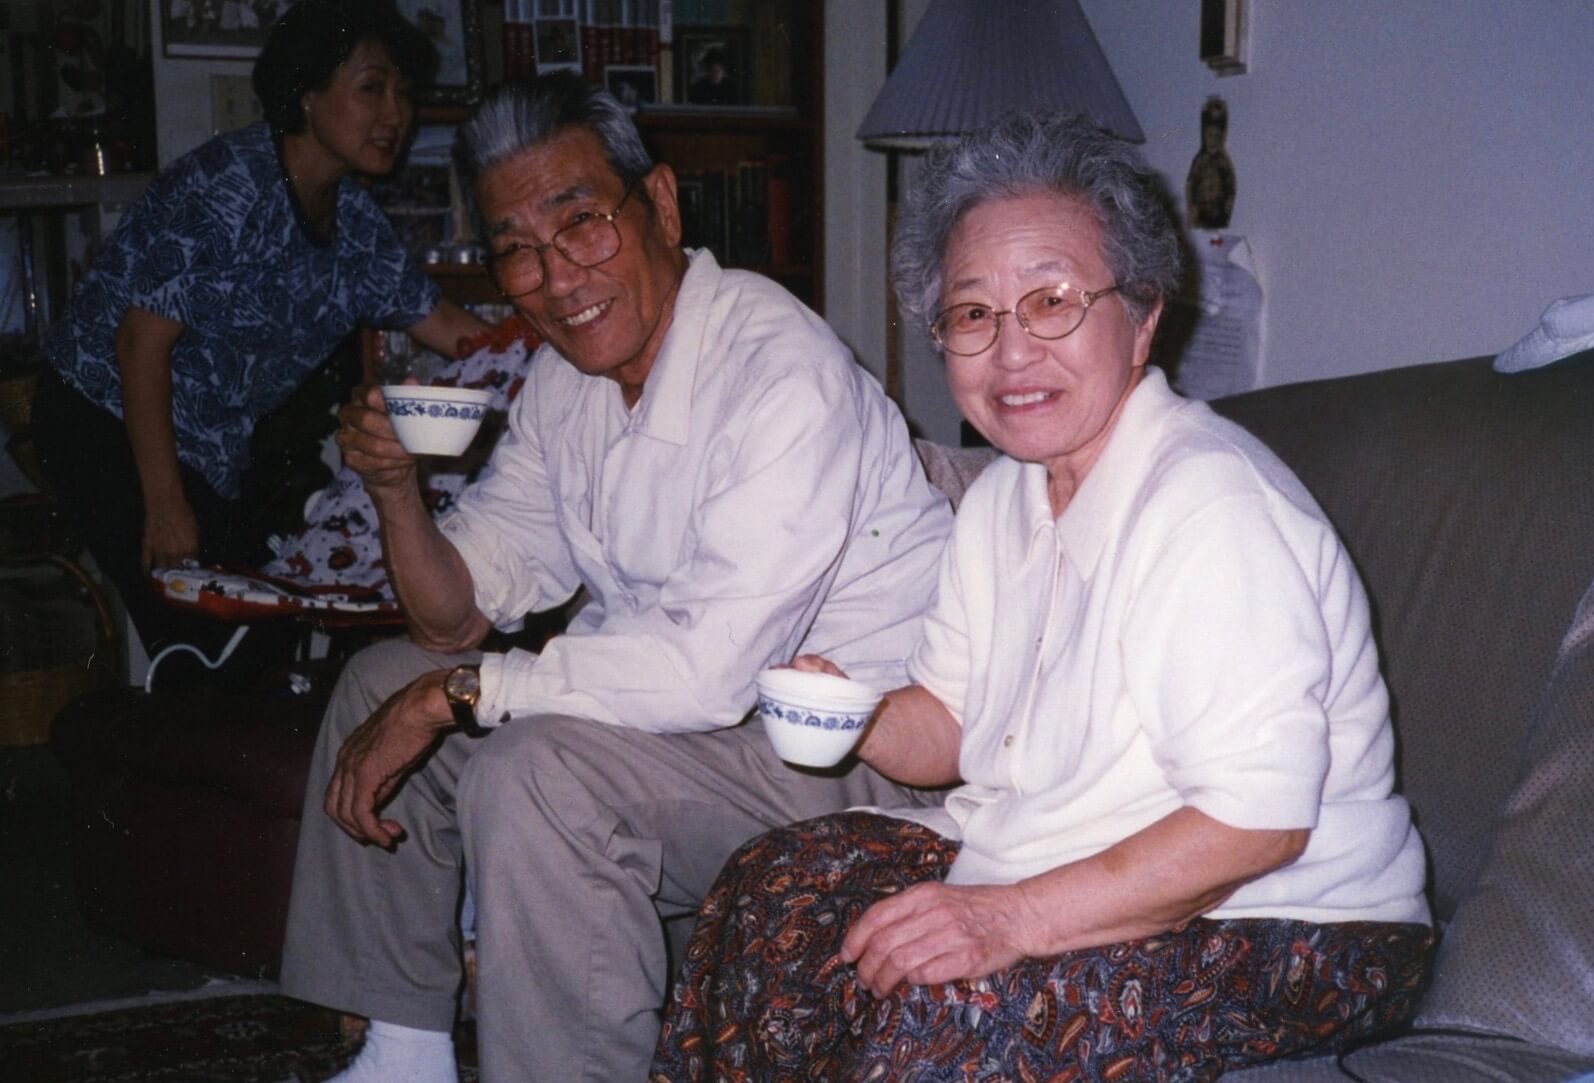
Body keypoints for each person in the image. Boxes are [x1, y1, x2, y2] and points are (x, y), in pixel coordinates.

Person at [652, 110, 1435, 1082]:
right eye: (973, 314)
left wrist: (1007, 918)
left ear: (1141, 319)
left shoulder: (1208, 506)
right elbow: (950, 724)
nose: (1011, 352)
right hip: (1064, 855)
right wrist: (852, 711)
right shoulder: (1002, 500)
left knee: (944, 1013)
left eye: (1052, 301)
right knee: (773, 890)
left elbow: (1257, 822)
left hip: (1297, 920)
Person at [278, 72, 953, 1083]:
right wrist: (395, 492)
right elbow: (454, 619)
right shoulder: (566, 384)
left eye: (582, 224)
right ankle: (403, 1056)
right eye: (517, 250)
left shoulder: (780, 372)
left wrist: (456, 696)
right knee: (378, 680)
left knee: (534, 772)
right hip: (692, 725)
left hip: (846, 748)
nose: (558, 278)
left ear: (661, 206)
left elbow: (704, 672)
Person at [31, 0, 488, 684]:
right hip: (101, 416)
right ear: (306, 95)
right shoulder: (231, 187)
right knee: (202, 641)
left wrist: (559, 350)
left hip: (208, 448)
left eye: (404, 92)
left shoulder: (355, 223)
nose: (396, 114)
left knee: (258, 626)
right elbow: (137, 343)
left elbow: (450, 328)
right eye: (372, 88)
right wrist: (164, 502)